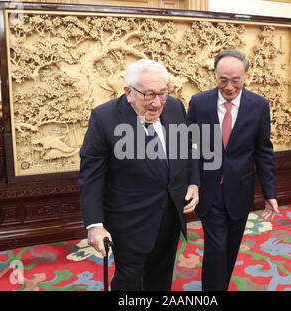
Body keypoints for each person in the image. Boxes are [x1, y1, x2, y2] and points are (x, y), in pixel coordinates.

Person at [79, 59, 200, 291]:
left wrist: (193, 183)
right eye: (149, 95)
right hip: (130, 220)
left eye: (162, 93)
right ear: (128, 92)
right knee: (129, 278)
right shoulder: (105, 118)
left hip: (171, 212)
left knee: (162, 273)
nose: (157, 103)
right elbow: (92, 176)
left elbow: (185, 148)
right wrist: (94, 224)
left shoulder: (174, 106)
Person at [187, 49, 279, 291]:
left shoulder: (259, 105)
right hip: (209, 188)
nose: (229, 86)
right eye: (223, 80)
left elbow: (263, 151)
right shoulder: (199, 103)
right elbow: (190, 147)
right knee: (216, 247)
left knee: (230, 248)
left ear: (245, 76)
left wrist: (270, 194)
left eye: (235, 80)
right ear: (215, 75)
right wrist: (193, 182)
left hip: (240, 189)